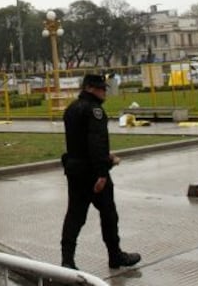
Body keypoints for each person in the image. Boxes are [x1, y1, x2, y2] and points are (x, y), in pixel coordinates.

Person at [60, 73, 140, 271]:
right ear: (89, 88)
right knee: (109, 215)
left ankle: (67, 260)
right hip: (93, 173)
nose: (104, 91)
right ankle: (115, 255)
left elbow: (79, 143)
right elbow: (96, 143)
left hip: (75, 170)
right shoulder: (95, 111)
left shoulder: (71, 109)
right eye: (101, 88)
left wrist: (105, 156)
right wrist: (103, 172)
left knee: (75, 216)